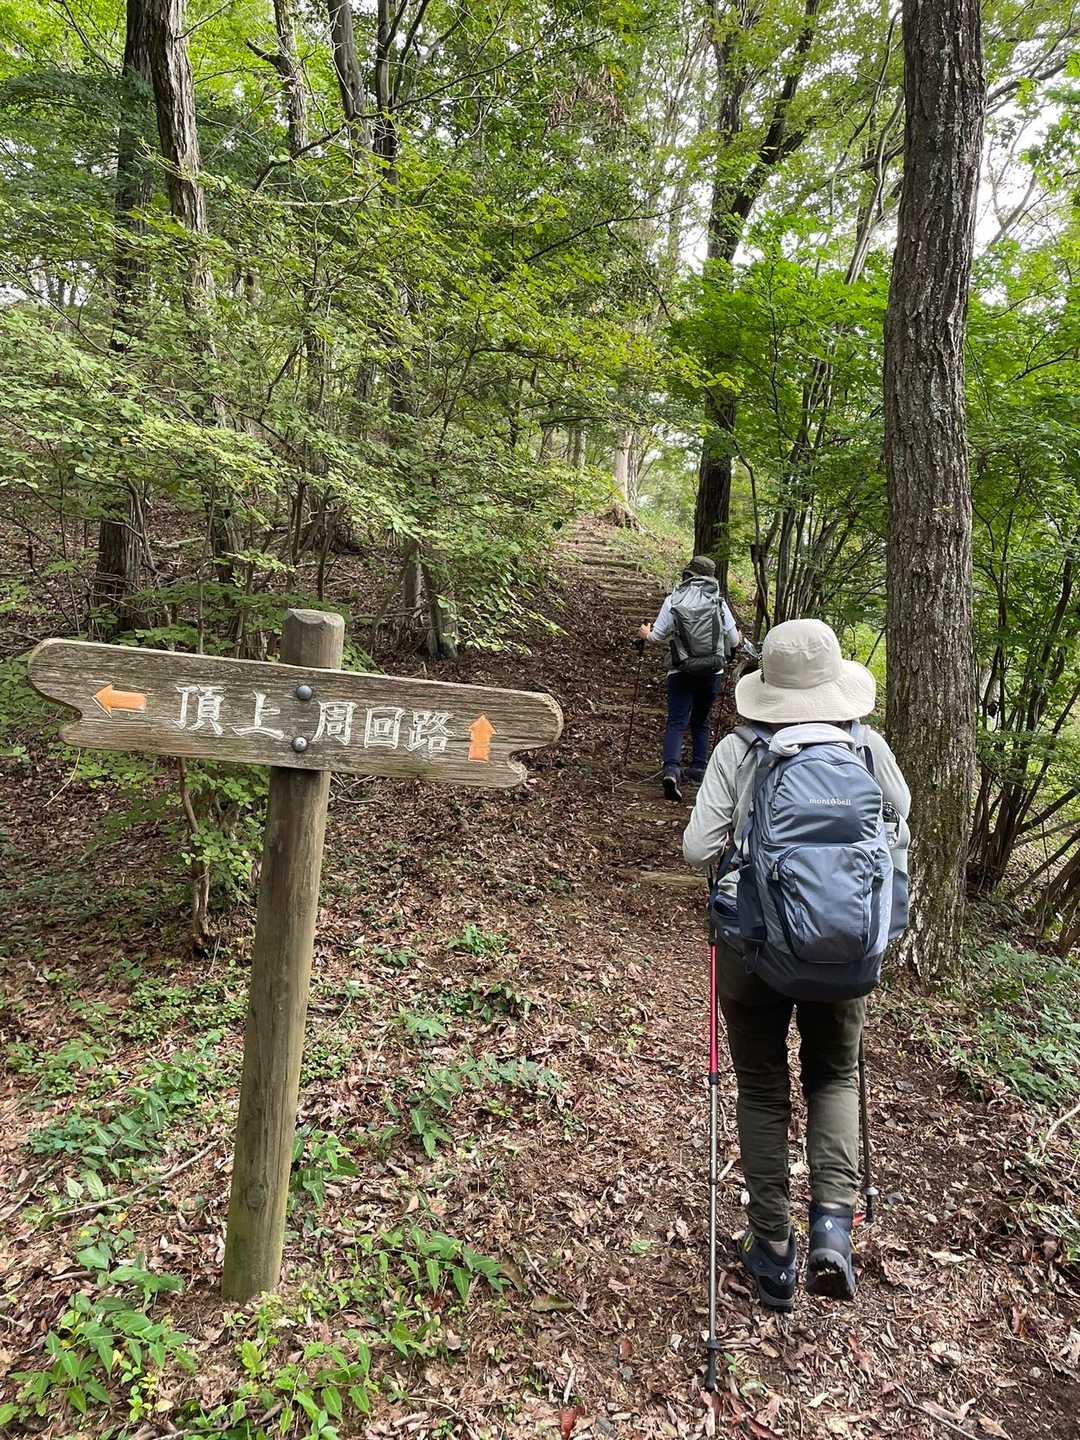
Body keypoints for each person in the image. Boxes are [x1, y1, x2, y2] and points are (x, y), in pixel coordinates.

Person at [683, 618, 910, 1310]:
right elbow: (899, 824)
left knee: (760, 1087)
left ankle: (774, 1250)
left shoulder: (740, 750)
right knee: (834, 1074)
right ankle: (833, 1229)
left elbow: (698, 848)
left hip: (753, 948)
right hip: (846, 949)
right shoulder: (865, 747)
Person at [638, 556, 740, 803]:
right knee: (701, 720)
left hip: (680, 669)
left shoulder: (673, 599)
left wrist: (645, 634)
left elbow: (657, 636)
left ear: (688, 574)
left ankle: (671, 770)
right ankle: (698, 769)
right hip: (712, 671)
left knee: (676, 721)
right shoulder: (719, 602)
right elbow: (734, 641)